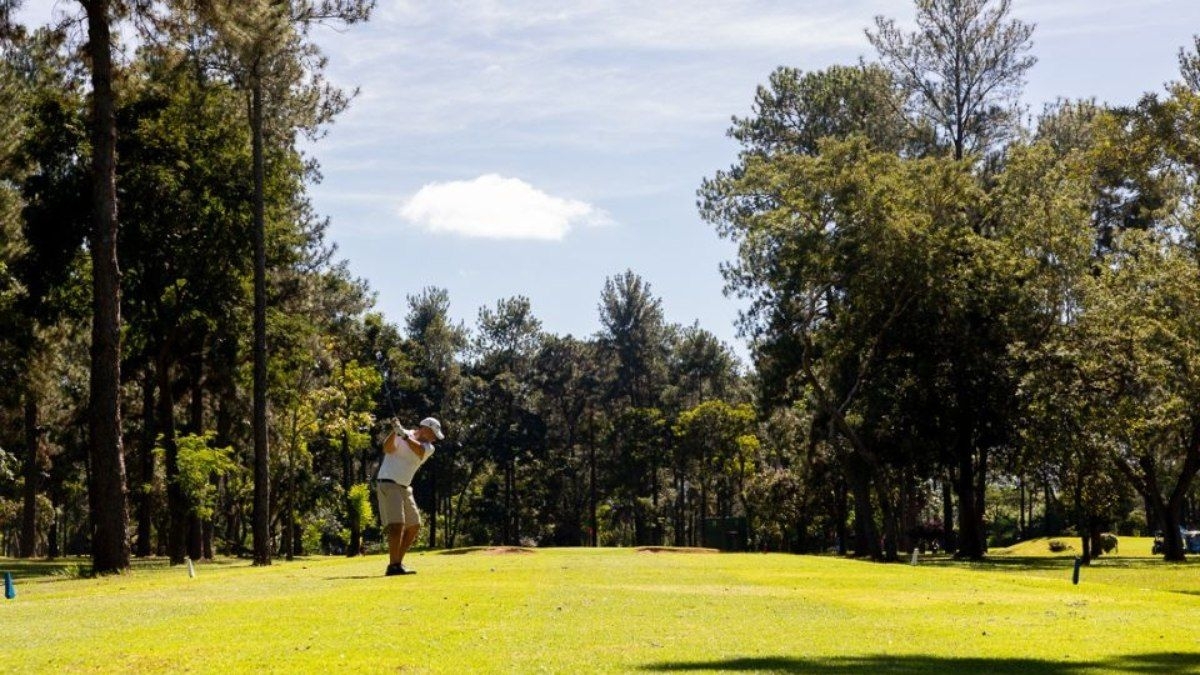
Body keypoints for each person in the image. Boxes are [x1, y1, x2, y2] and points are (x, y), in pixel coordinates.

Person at [377, 416, 443, 576]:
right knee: (397, 525)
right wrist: (395, 432)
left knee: (414, 525)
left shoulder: (429, 448)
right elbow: (387, 449)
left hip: (405, 487)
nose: (434, 438)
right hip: (389, 482)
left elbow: (418, 450)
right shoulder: (401, 433)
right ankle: (394, 566)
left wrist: (403, 435)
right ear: (425, 428)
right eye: (433, 433)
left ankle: (396, 563)